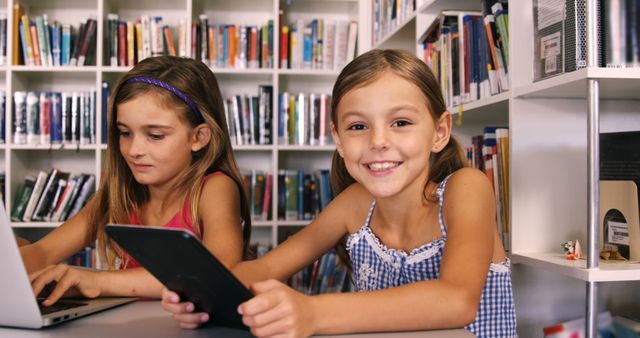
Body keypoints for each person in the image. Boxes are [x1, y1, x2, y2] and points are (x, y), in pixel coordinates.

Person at [161, 49, 517, 338]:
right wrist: (205, 293)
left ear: (439, 132)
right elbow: (268, 267)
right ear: (339, 141)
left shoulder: (466, 187)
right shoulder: (355, 204)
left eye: (401, 123)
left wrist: (313, 312)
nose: (378, 142)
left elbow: (456, 302)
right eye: (358, 126)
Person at [21, 56, 252, 307]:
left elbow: (219, 271)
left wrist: (99, 282)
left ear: (198, 137)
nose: (134, 150)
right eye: (125, 133)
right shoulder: (121, 192)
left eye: (154, 135)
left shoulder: (215, 188)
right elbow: (45, 251)